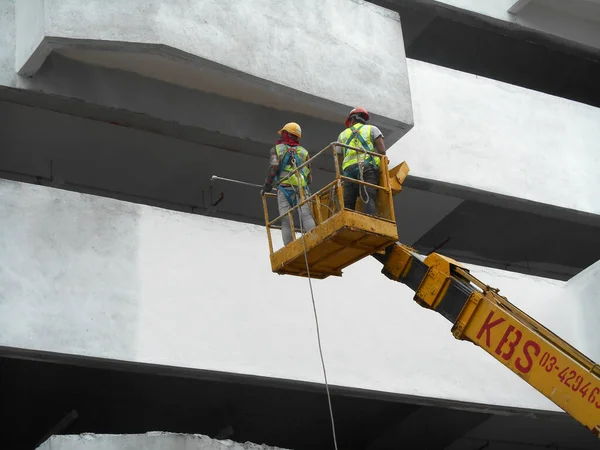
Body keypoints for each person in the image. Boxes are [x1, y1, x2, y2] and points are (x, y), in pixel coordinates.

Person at [261, 122, 316, 245]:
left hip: (284, 188)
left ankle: (289, 247)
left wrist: (267, 185)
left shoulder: (276, 149)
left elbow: (273, 168)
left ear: (286, 134)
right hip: (302, 189)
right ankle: (314, 241)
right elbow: (309, 177)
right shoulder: (304, 152)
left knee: (286, 220)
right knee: (306, 216)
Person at [336, 107, 386, 216]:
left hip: (348, 171)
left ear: (352, 120)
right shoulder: (372, 129)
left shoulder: (342, 135)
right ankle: (370, 220)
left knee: (348, 202)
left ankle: (349, 223)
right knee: (368, 196)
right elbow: (382, 150)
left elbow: (339, 157)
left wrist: (344, 170)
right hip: (367, 167)